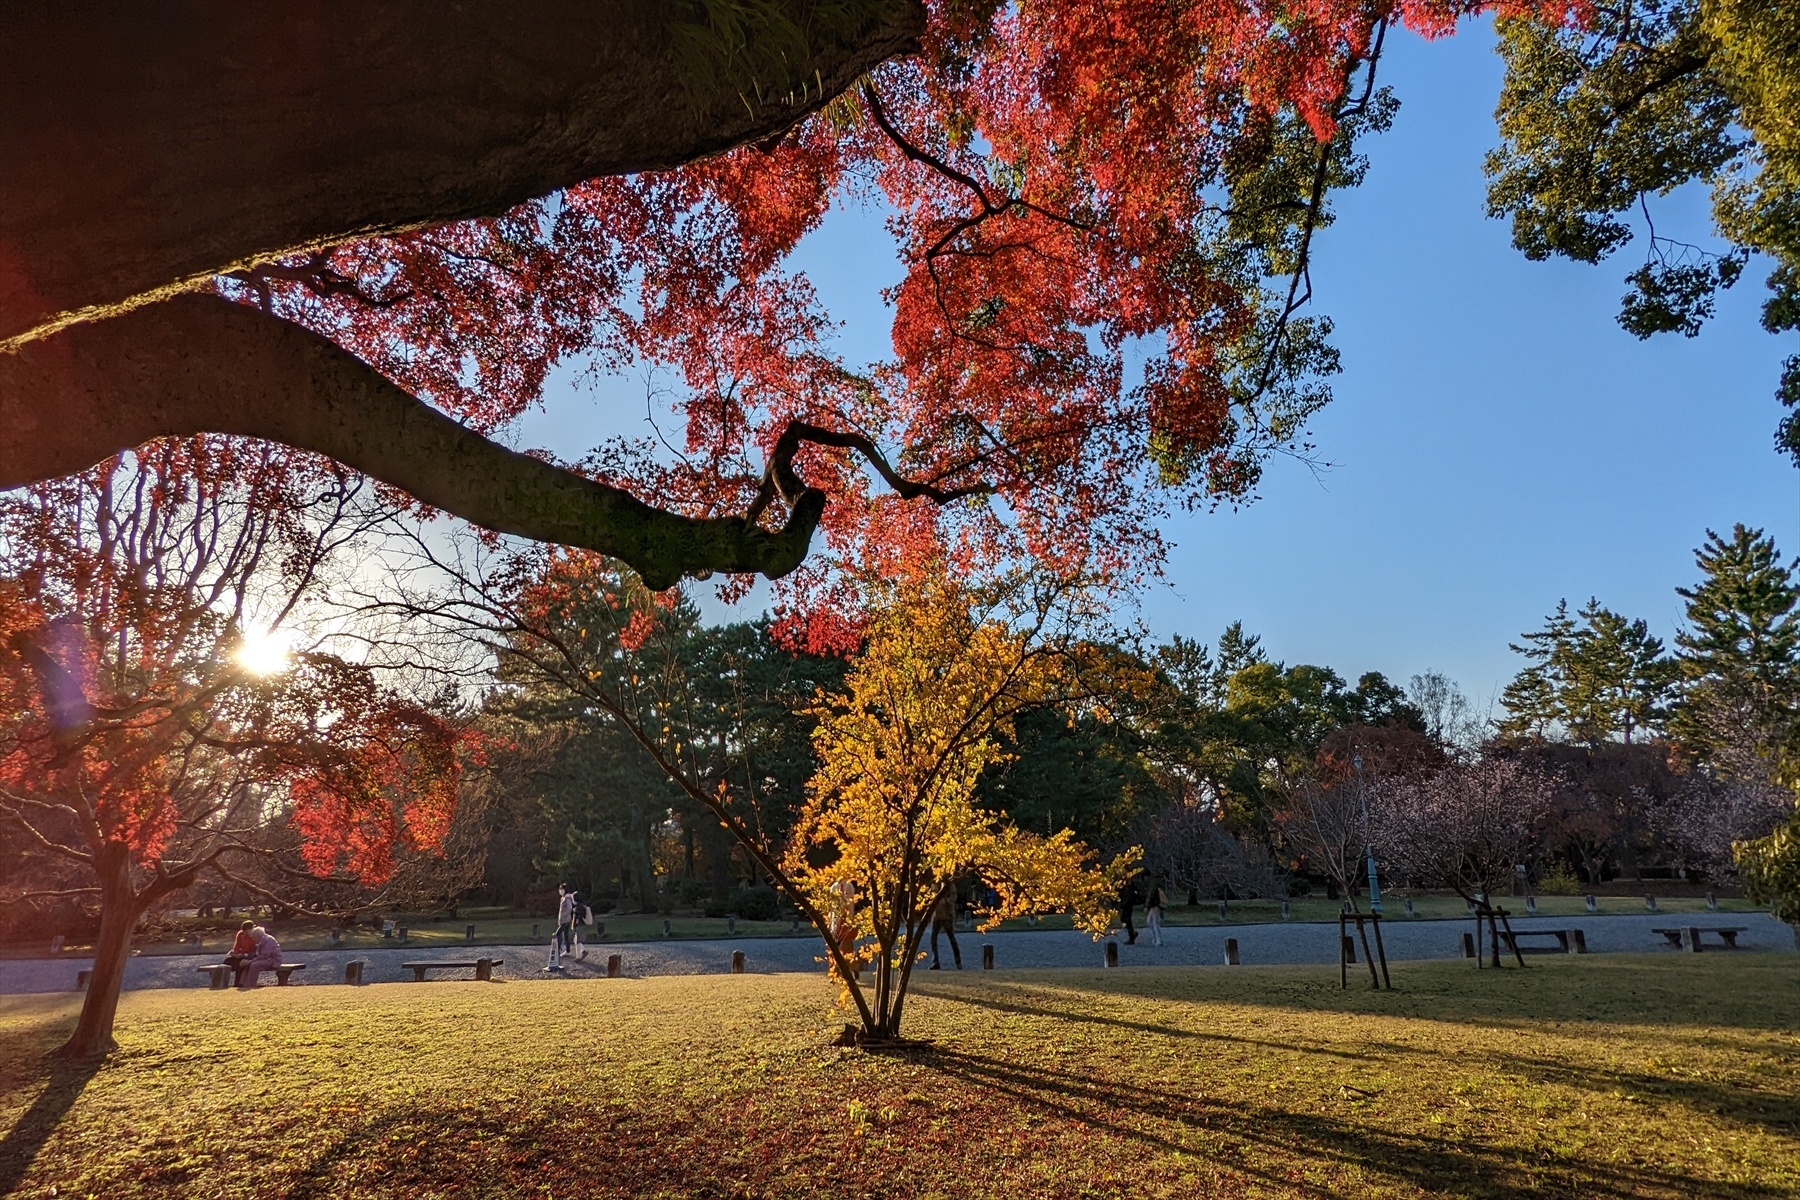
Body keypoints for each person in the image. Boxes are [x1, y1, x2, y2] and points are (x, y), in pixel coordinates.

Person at [929, 885, 961, 970]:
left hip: (947, 916)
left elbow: (953, 898)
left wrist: (944, 901)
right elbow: (931, 897)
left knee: (952, 939)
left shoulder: (950, 885)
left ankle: (958, 962)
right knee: (933, 939)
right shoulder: (935, 884)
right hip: (937, 916)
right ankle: (935, 961)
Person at [223, 920, 257, 987]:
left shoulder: (256, 935)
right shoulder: (241, 934)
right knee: (227, 961)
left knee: (240, 964)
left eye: (246, 932)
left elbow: (255, 952)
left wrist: (244, 954)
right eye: (244, 932)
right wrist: (234, 953)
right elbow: (236, 947)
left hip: (250, 956)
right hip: (240, 955)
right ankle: (221, 981)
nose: (245, 934)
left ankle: (238, 983)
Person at [1143, 878, 1166, 947]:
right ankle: (1156, 938)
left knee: (1154, 922)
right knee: (1150, 921)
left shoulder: (1151, 886)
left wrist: (1147, 906)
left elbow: (1150, 896)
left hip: (1155, 905)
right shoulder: (1153, 885)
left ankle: (1158, 939)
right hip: (1154, 905)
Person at [1118, 876, 1140, 945]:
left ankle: (1131, 936)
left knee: (1127, 920)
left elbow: (1129, 897)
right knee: (1124, 919)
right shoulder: (1127, 886)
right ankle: (1132, 934)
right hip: (1126, 904)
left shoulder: (1131, 887)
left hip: (1128, 905)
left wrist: (1124, 903)